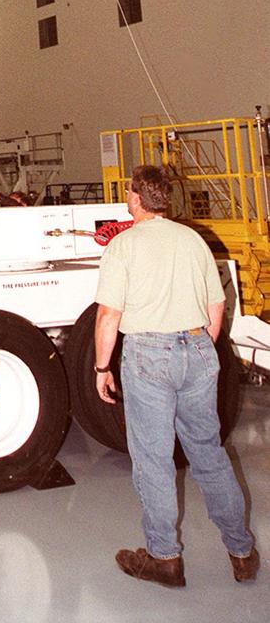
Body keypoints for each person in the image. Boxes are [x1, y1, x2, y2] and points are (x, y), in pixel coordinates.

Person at [94, 165, 258, 588]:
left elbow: (109, 315)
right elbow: (215, 307)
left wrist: (101, 368)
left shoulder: (124, 246)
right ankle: (241, 551)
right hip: (198, 349)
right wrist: (199, 347)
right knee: (208, 454)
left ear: (135, 198)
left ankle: (165, 558)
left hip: (150, 354)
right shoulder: (193, 240)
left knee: (153, 459)